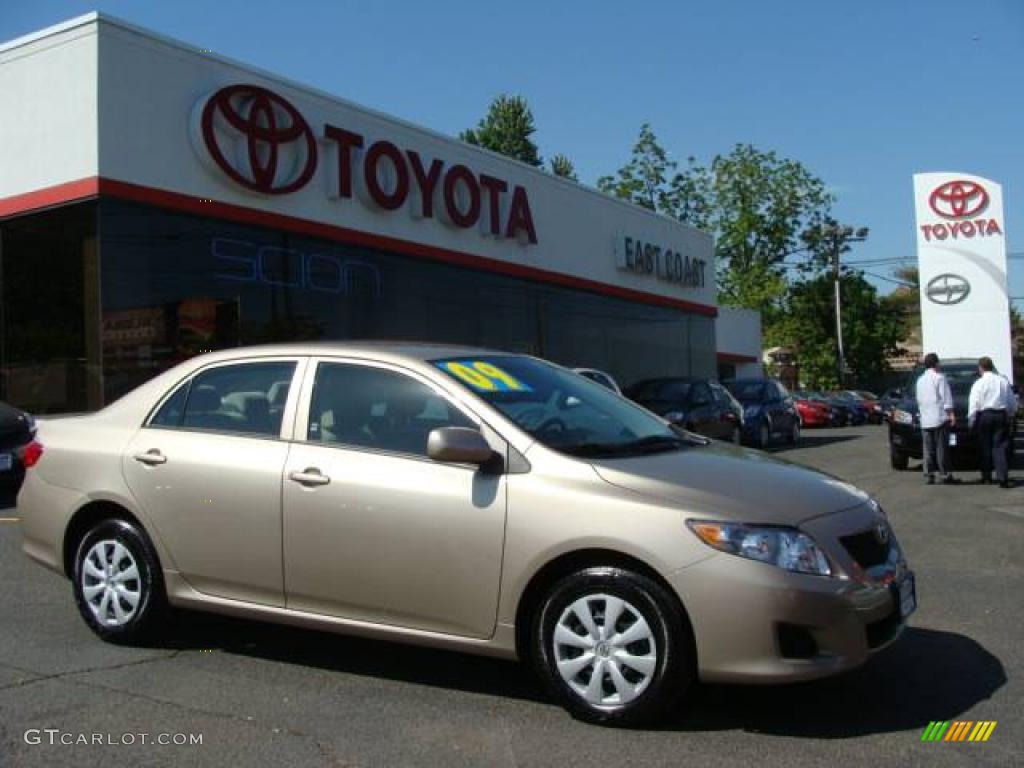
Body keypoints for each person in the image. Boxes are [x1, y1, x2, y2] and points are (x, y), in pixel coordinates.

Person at [968, 356, 1017, 488]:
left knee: (984, 446)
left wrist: (971, 420)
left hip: (985, 415)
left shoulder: (978, 383)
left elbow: (974, 404)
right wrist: (1011, 415)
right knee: (1000, 446)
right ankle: (1002, 476)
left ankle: (986, 476)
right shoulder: (1002, 381)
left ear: (981, 368)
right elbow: (1012, 402)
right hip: (1000, 415)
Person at [915, 353, 958, 485]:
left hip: (925, 419)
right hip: (939, 418)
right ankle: (944, 474)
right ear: (936, 364)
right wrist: (951, 414)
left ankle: (929, 474)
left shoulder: (920, 380)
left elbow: (919, 399)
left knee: (928, 449)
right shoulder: (940, 378)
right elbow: (946, 398)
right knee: (941, 448)